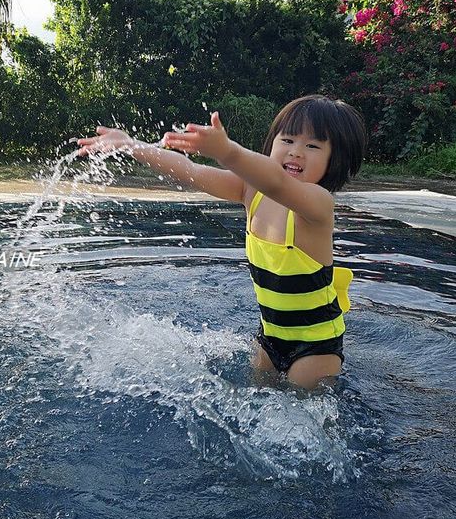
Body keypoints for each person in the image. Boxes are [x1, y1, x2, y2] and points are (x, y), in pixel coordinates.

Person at [77, 95, 367, 390]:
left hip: (315, 347)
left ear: (336, 160)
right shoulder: (250, 191)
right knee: (257, 399)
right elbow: (192, 172)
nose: (296, 152)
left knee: (302, 416)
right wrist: (131, 145)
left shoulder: (317, 204)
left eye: (313, 146)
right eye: (288, 140)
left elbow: (278, 183)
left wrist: (227, 151)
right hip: (270, 337)